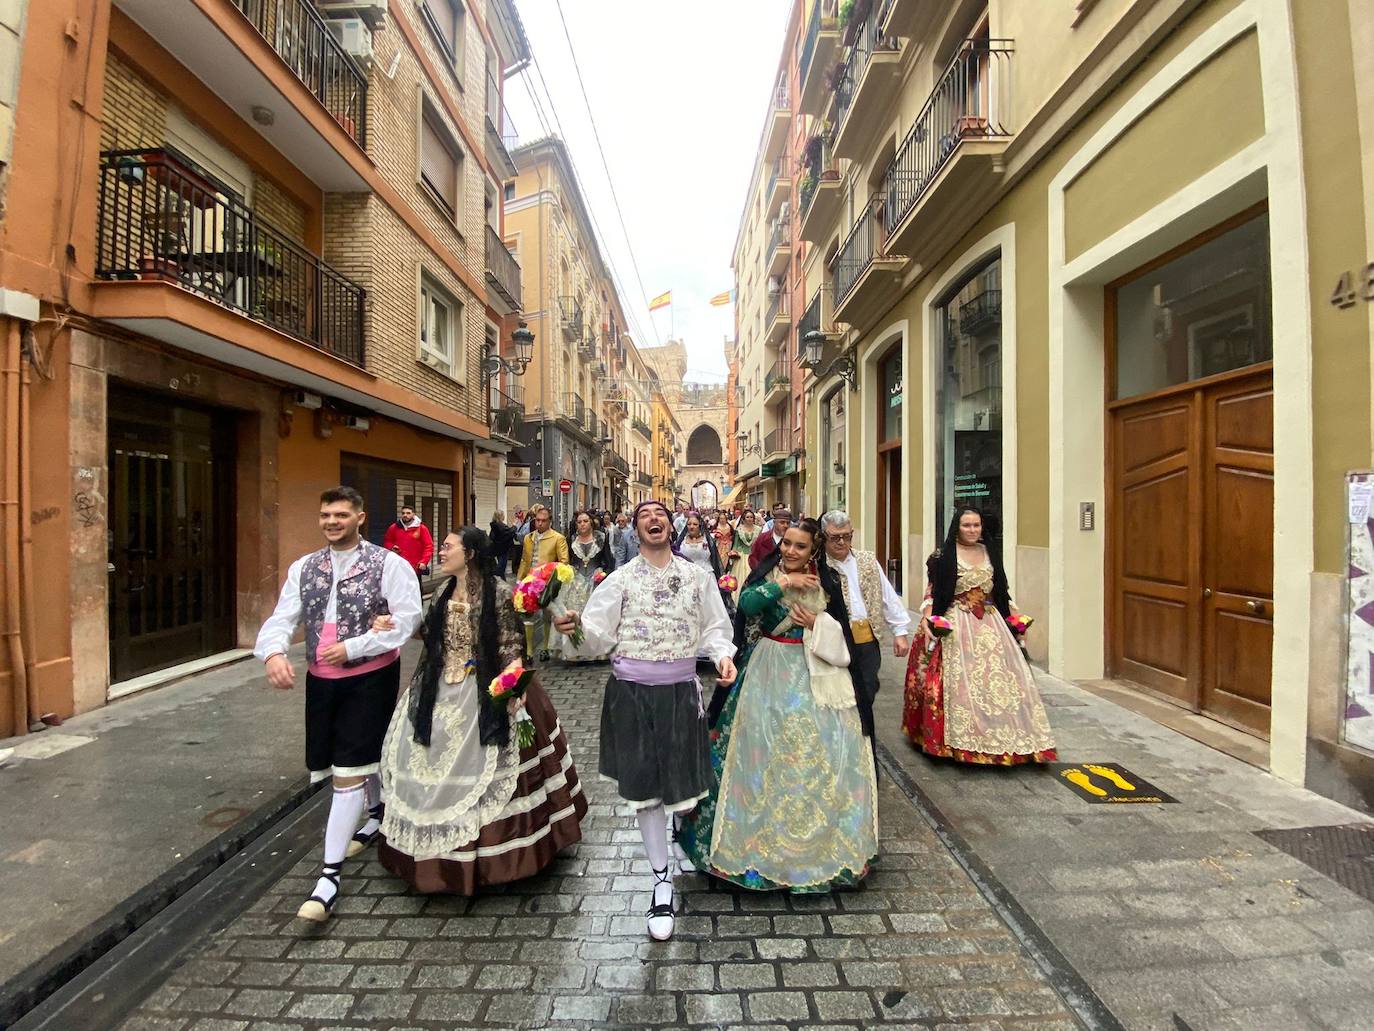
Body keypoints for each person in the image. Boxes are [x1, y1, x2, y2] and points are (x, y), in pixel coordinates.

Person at [552, 500, 737, 941]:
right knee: (649, 793)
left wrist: (723, 655)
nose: (653, 519)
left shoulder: (699, 577)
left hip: (679, 693)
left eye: (659, 513)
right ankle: (660, 881)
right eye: (644, 516)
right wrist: (575, 628)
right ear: (635, 531)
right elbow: (596, 635)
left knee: (684, 790)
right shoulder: (619, 580)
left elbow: (715, 627)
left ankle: (679, 837)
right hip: (631, 695)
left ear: (668, 526)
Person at [373, 526, 587, 893]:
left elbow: (509, 642)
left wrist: (512, 685)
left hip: (486, 684)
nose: (441, 552)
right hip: (441, 686)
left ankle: (496, 855)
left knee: (492, 762)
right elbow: (431, 633)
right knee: (428, 758)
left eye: (447, 546)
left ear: (469, 554)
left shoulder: (499, 593)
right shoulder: (442, 591)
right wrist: (393, 624)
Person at [254, 486, 423, 922]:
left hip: (369, 676)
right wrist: (273, 652)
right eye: (326, 514)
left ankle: (328, 877)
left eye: (342, 515)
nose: (332, 521)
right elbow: (283, 615)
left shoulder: (389, 564)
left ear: (360, 518)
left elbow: (408, 619)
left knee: (348, 770)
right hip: (321, 680)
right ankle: (376, 812)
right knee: (349, 760)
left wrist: (356, 646)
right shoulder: (304, 567)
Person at [681, 519, 878, 892]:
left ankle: (818, 853)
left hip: (814, 673)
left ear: (813, 551)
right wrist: (786, 582)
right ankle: (753, 849)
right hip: (768, 668)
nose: (789, 551)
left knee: (815, 758)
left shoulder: (827, 580)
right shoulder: (769, 573)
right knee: (759, 752)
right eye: (786, 543)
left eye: (799, 547)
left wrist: (816, 622)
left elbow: (843, 626)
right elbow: (749, 602)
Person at [902, 508, 1057, 764]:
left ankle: (1001, 737)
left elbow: (1001, 592)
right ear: (957, 527)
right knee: (959, 684)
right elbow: (932, 593)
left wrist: (1016, 620)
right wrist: (931, 619)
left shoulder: (990, 553)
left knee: (999, 682)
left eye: (976, 525)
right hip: (955, 622)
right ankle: (958, 739)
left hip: (990, 623)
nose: (973, 530)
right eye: (967, 525)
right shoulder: (942, 557)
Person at [816, 511, 911, 741]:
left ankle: (861, 735)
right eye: (835, 537)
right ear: (823, 537)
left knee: (868, 687)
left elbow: (887, 596)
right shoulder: (819, 566)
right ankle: (841, 737)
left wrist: (900, 631)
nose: (842, 542)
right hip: (836, 641)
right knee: (840, 693)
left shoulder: (867, 560)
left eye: (846, 536)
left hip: (868, 637)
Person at [516, 505, 570, 661]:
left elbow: (564, 561)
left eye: (543, 521)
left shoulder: (557, 538)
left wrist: (549, 575)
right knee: (528, 616)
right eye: (537, 520)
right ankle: (530, 651)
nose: (540, 523)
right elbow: (525, 560)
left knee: (547, 615)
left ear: (549, 521)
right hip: (528, 583)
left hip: (547, 583)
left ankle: (545, 648)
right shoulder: (528, 538)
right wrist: (520, 579)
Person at [564, 509, 616, 660]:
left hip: (596, 582)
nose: (582, 524)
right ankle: (577, 650)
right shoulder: (571, 539)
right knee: (576, 617)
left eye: (585, 521)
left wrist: (604, 574)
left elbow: (609, 561)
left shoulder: (601, 538)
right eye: (579, 522)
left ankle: (597, 650)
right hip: (576, 583)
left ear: (591, 523)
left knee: (595, 617)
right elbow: (567, 560)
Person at [383, 504, 434, 584]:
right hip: (398, 565)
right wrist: (392, 547)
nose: (405, 515)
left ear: (413, 514)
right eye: (403, 513)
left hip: (414, 566)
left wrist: (424, 561)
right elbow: (387, 541)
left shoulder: (421, 528)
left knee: (416, 590)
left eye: (408, 513)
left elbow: (428, 546)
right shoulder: (394, 527)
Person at [488, 510, 516, 579]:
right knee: (501, 566)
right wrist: (514, 526)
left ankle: (501, 578)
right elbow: (509, 532)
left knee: (501, 565)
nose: (504, 516)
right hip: (503, 549)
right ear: (500, 516)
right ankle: (497, 579)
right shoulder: (500, 525)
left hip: (497, 548)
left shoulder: (494, 525)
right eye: (503, 515)